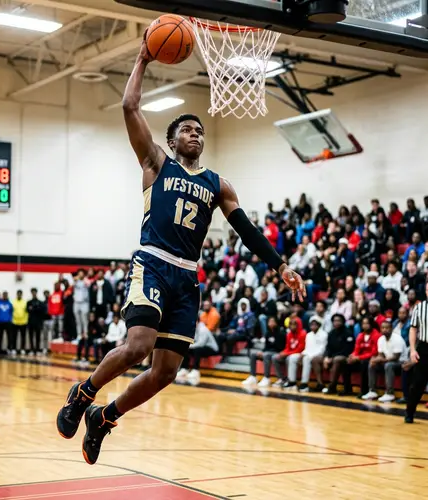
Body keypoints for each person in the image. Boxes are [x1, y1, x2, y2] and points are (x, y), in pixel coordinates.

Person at [56, 36, 306, 466]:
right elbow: (130, 108)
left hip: (187, 276)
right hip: (152, 264)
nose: (196, 134)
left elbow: (245, 229)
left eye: (200, 131)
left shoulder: (218, 183)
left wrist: (280, 265)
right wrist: (141, 58)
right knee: (137, 346)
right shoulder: (156, 163)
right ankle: (84, 393)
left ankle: (104, 418)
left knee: (166, 372)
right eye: (188, 130)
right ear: (172, 141)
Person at [362, 320, 406, 402]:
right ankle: (372, 391)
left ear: (391, 329)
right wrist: (375, 360)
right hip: (388, 361)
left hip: (401, 363)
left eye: (387, 328)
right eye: (383, 328)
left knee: (388, 365)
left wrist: (381, 359)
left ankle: (390, 393)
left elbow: (396, 357)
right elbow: (381, 355)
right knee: (372, 364)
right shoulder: (381, 339)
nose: (385, 329)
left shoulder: (397, 339)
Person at [312, 314, 355, 394]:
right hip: (332, 356)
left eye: (338, 321)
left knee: (337, 359)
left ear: (343, 322)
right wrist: (326, 357)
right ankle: (320, 384)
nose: (336, 323)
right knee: (315, 359)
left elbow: (348, 350)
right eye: (334, 321)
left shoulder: (348, 332)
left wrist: (332, 357)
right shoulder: (331, 333)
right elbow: (328, 347)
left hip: (345, 357)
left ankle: (332, 386)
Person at [406, 282, 428, 423]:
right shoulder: (419, 308)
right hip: (425, 347)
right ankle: (409, 412)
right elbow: (413, 329)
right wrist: (413, 349)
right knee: (418, 383)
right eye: (427, 289)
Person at [242, 316, 286, 387]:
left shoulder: (280, 333)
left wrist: (266, 352)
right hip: (268, 352)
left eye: (272, 321)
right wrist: (262, 351)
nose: (270, 323)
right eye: (269, 322)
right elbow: (266, 347)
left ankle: (266, 377)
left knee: (266, 355)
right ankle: (253, 376)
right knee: (253, 354)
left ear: (276, 323)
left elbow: (280, 348)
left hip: (276, 352)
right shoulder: (267, 333)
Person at [346, 316, 381, 397]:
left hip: (371, 358)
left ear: (371, 324)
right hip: (360, 358)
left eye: (367, 323)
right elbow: (356, 349)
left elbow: (374, 352)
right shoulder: (360, 335)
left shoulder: (376, 335)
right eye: (363, 324)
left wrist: (358, 358)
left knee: (364, 363)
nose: (365, 325)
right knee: (346, 363)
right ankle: (347, 389)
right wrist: (352, 356)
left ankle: (364, 390)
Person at [273, 317, 307, 389]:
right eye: (290, 324)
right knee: (275, 357)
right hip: (291, 353)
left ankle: (292, 381)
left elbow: (300, 349)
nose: (292, 326)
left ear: (298, 325)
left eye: (294, 324)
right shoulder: (289, 334)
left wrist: (287, 353)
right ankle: (282, 379)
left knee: (289, 358)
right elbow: (287, 347)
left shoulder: (303, 334)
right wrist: (283, 352)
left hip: (300, 354)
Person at [298, 316, 328, 392]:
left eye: (315, 324)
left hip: (320, 355)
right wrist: (303, 353)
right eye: (311, 324)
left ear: (319, 325)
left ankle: (304, 383)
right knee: (302, 358)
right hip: (309, 355)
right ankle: (299, 382)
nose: (313, 326)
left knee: (307, 359)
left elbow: (322, 349)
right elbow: (307, 348)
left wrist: (309, 355)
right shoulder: (308, 335)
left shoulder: (324, 334)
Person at [27, 288, 45, 355]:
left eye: (35, 292)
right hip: (31, 322)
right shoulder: (29, 302)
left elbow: (41, 311)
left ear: (36, 293)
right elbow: (28, 310)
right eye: (32, 292)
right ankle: (32, 349)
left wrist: (34, 308)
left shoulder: (40, 302)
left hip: (38, 322)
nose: (34, 293)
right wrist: (35, 308)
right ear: (31, 293)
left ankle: (37, 350)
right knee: (31, 337)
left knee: (38, 337)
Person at [12, 290, 28, 355]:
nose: (19, 295)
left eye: (20, 294)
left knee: (23, 337)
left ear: (21, 295)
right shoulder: (13, 302)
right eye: (18, 294)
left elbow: (26, 312)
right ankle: (14, 349)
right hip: (15, 322)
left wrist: (26, 320)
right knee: (14, 337)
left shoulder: (24, 302)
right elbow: (11, 311)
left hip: (23, 322)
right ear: (16, 294)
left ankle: (22, 349)